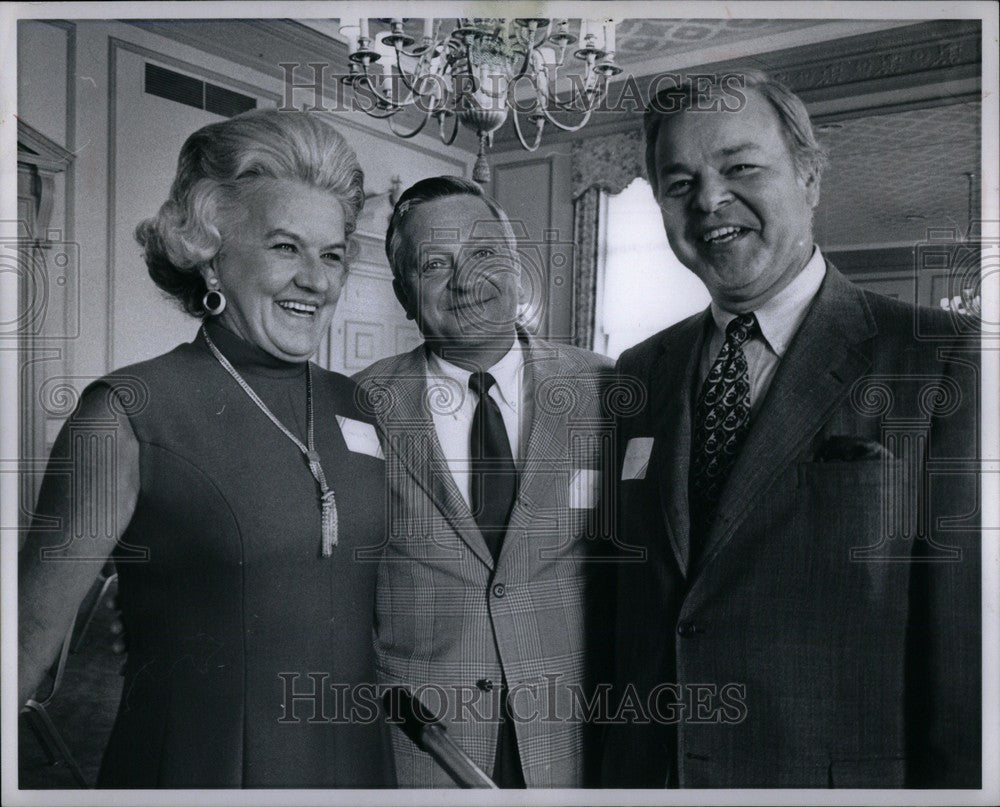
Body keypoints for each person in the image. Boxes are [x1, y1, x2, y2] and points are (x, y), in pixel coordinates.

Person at [602, 71, 980, 788]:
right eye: (679, 184)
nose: (710, 200)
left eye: (740, 166)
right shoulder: (640, 371)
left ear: (808, 176)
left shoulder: (943, 357)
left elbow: (965, 659)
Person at [18, 109, 392, 788]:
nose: (317, 279)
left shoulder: (355, 404)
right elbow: (21, 648)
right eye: (285, 247)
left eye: (332, 253)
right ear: (210, 252)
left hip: (353, 768)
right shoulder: (127, 413)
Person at [354, 176, 615, 787]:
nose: (466, 281)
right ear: (403, 293)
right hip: (422, 742)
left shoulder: (610, 389)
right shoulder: (357, 405)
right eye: (435, 264)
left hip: (574, 735)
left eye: (484, 254)